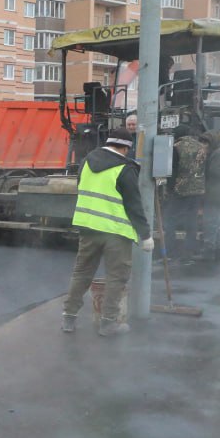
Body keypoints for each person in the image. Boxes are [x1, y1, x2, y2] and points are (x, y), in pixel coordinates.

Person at [61, 128, 154, 336]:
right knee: (116, 276)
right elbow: (134, 205)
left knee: (82, 273)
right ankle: (108, 322)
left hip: (88, 227)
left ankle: (69, 318)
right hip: (115, 231)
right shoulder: (125, 168)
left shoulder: (86, 161)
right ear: (125, 148)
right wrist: (145, 235)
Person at [167, 126, 207, 258]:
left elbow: (173, 170)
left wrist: (170, 188)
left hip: (181, 189)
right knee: (192, 219)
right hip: (197, 189)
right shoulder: (201, 147)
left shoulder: (176, 147)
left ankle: (170, 249)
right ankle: (190, 249)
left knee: (170, 218)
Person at [201, 132, 220, 261]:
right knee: (216, 223)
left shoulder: (218, 154)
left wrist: (204, 163)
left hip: (215, 194)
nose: (204, 145)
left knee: (211, 223)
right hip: (219, 193)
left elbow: (216, 173)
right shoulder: (219, 152)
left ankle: (209, 251)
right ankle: (218, 250)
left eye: (206, 143)